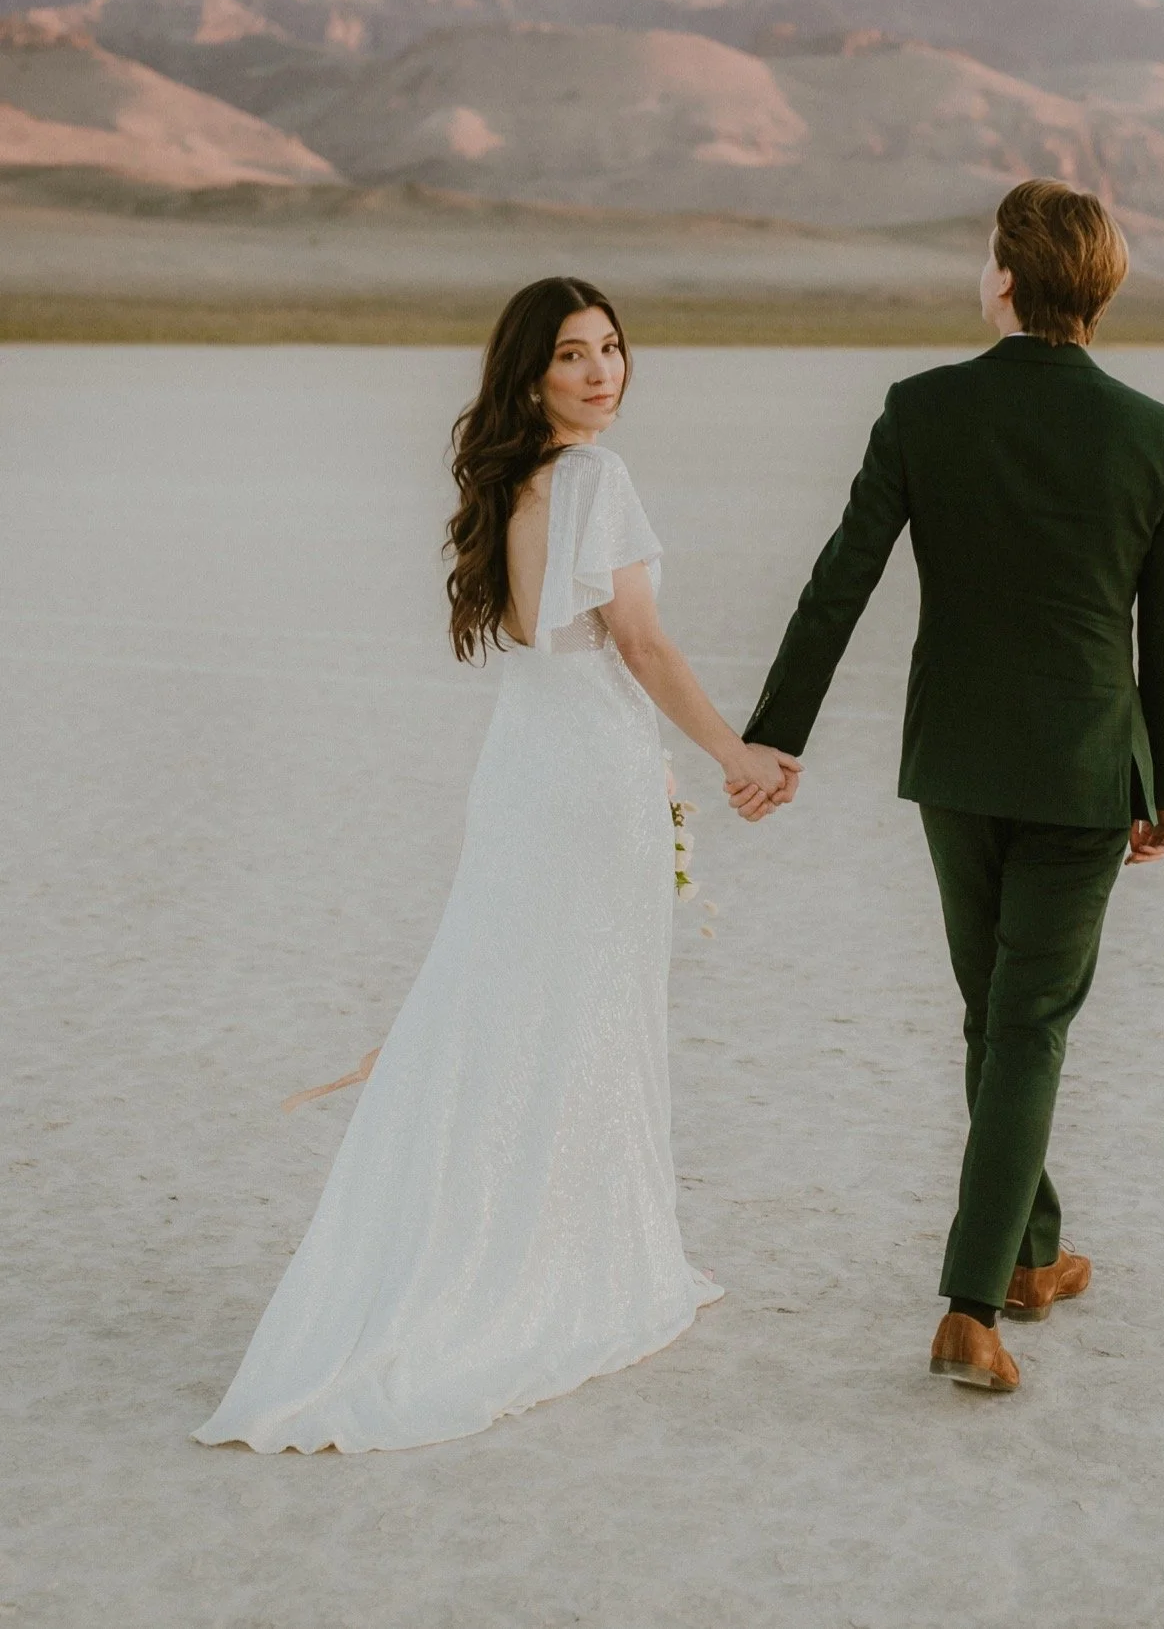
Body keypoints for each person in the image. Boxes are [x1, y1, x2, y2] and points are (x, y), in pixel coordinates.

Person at [193, 278, 799, 1452]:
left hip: (528, 764)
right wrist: (733, 752)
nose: (602, 372)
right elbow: (640, 641)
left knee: (511, 998)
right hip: (583, 774)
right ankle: (571, 1262)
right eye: (573, 356)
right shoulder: (594, 480)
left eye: (614, 349)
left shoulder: (513, 485)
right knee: (580, 1006)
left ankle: (523, 1244)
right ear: (529, 376)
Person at [738, 180, 1164, 1393]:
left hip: (958, 765)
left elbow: (840, 580)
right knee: (1026, 1025)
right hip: (1091, 774)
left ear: (1005, 277)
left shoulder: (922, 410)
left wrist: (777, 733)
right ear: (1098, 289)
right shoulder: (1154, 433)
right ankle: (970, 1301)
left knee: (997, 1021)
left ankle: (1028, 1260)